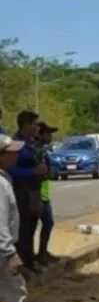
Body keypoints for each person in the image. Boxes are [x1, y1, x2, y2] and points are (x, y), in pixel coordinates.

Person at [0, 135, 50, 302]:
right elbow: (0, 221)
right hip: (2, 249)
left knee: (15, 288)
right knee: (14, 287)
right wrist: (9, 252)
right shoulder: (0, 184)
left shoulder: (4, 179)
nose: (16, 155)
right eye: (12, 152)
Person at [10, 111, 48, 274]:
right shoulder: (14, 143)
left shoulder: (33, 143)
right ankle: (22, 263)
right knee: (22, 227)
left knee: (32, 225)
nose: (37, 127)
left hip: (35, 189)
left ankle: (29, 259)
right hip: (20, 189)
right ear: (25, 124)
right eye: (34, 123)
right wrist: (32, 172)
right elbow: (11, 168)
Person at [34, 121, 58, 265]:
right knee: (34, 226)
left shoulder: (45, 150)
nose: (50, 136)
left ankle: (42, 253)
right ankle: (35, 256)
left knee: (47, 223)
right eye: (48, 133)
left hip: (43, 192)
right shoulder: (38, 150)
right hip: (37, 193)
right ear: (40, 135)